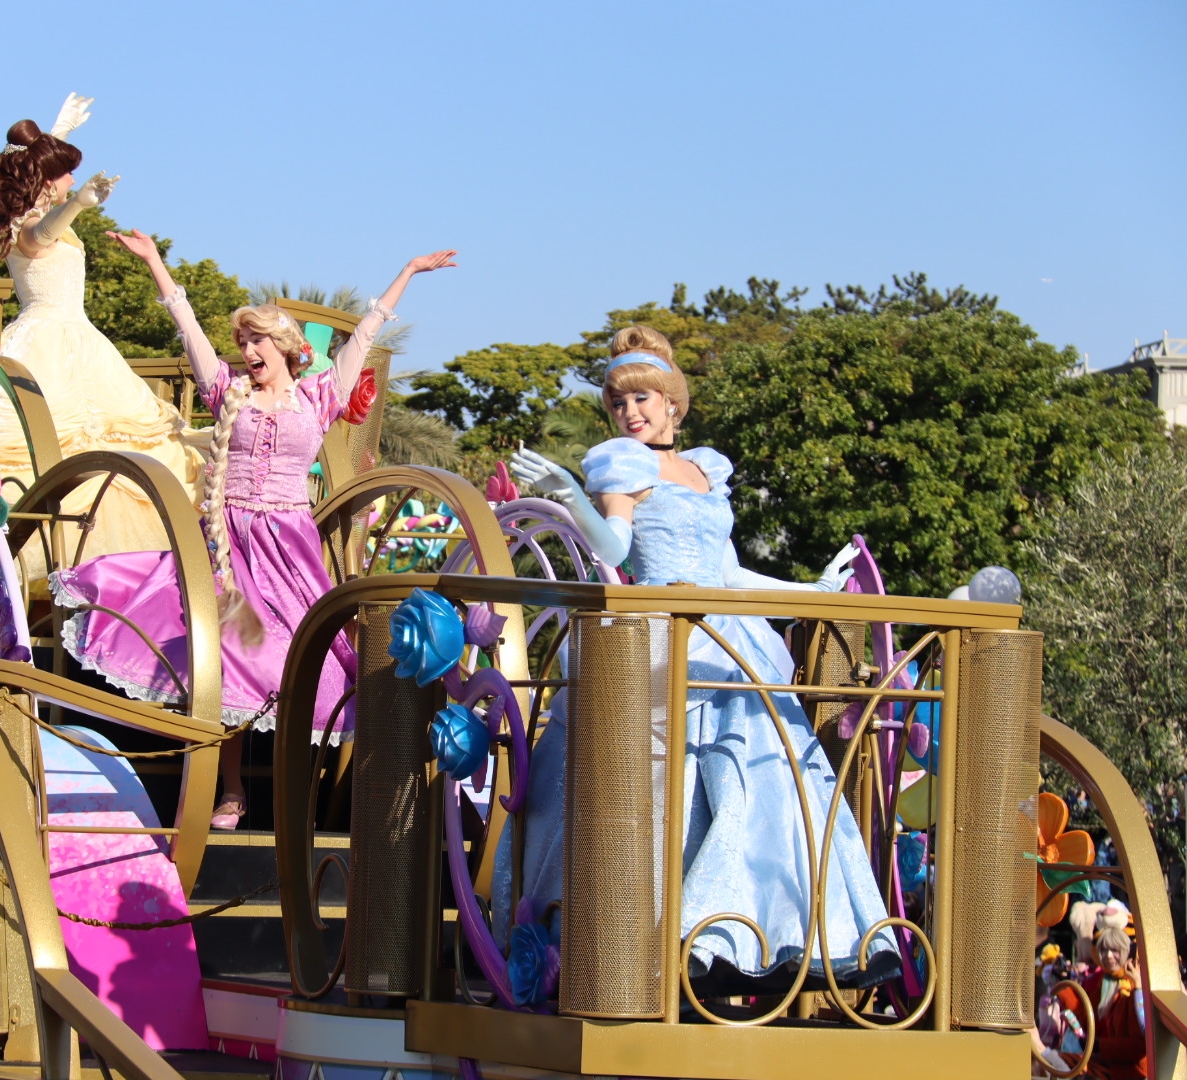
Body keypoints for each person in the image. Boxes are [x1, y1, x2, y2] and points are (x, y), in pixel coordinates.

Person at [506, 325, 895, 990]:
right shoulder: (620, 465)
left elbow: (730, 574)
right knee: (667, 785)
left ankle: (771, 937)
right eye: (619, 402)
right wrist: (570, 497)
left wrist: (813, 592)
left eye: (642, 399)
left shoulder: (706, 471)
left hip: (730, 639)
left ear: (672, 402)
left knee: (765, 779)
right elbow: (616, 550)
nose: (630, 412)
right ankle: (669, 944)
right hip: (661, 636)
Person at [52, 232, 457, 828]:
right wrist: (155, 262)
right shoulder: (228, 392)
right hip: (226, 544)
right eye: (242, 341)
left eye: (256, 339)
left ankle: (314, 791)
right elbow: (187, 328)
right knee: (228, 650)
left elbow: (365, 334)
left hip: (288, 550)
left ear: (286, 347)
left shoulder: (319, 396)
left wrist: (409, 271)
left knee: (305, 654)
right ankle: (232, 790)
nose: (246, 350)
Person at [0, 95, 207, 566]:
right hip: (43, 344)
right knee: (54, 444)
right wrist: (79, 204)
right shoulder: (25, 225)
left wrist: (59, 132)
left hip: (82, 342)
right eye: (65, 174)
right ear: (47, 180)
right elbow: (40, 233)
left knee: (119, 441)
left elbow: (41, 183)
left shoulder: (35, 208)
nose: (71, 181)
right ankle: (44, 554)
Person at [1076, 927, 1148, 1079]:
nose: (1108, 955)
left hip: (1133, 1072)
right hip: (1110, 1064)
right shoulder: (1102, 983)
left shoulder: (1134, 986)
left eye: (1115, 950)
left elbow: (1139, 1045)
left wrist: (1099, 1046)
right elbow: (1088, 1021)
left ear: (1128, 952)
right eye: (1104, 950)